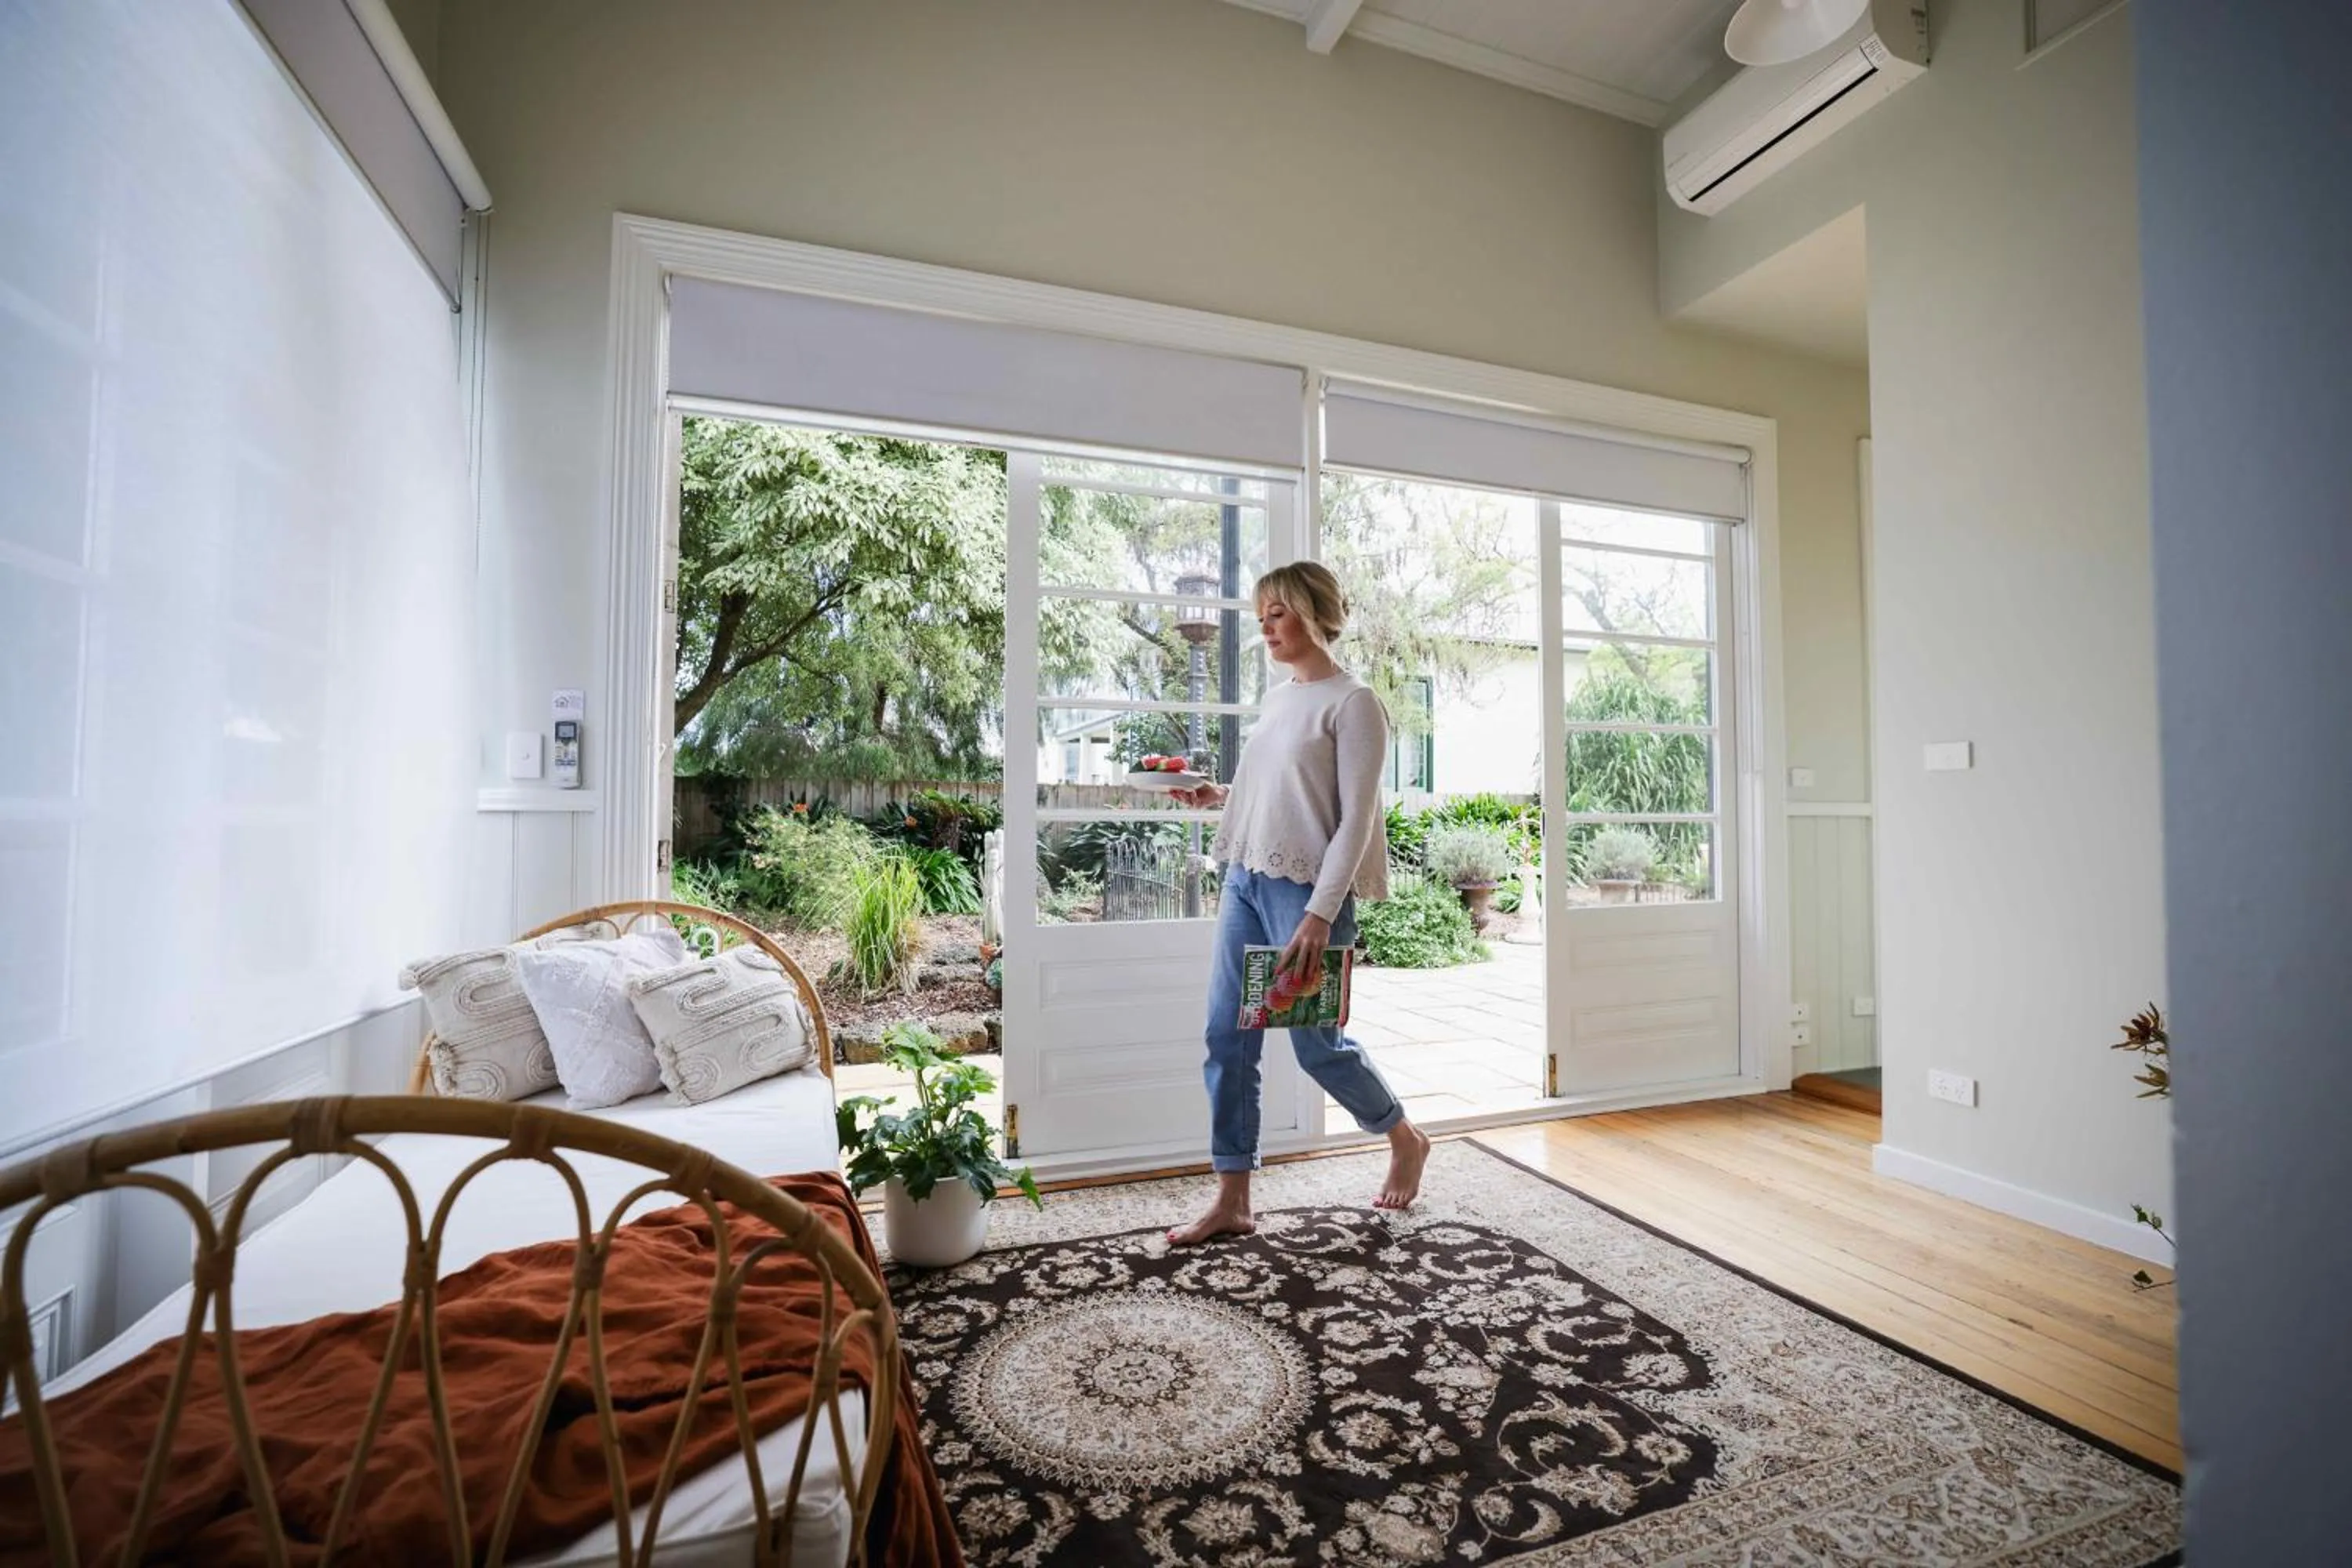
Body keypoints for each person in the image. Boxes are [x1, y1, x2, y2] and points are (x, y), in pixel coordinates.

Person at [1166, 561, 1431, 1246]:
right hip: (1247, 879)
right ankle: (1234, 1197)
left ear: (1313, 613)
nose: (1266, 627)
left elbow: (1356, 820)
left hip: (1308, 897)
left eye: (1277, 612)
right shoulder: (1280, 698)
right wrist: (1217, 796)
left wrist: (1319, 913)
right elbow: (1278, 789)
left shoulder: (1355, 703)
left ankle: (1403, 1137)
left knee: (1317, 1048)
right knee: (1227, 1038)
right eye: (1261, 616)